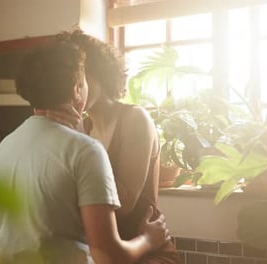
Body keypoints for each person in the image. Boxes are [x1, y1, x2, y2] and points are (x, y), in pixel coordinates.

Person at [0, 40, 170, 264]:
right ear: (76, 87)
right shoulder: (82, 143)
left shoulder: (3, 148)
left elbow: (120, 208)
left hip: (141, 248)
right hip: (114, 249)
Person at [38, 29, 181, 263]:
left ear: (97, 75)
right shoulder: (82, 125)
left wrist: (81, 136)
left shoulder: (135, 119)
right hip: (103, 250)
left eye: (79, 79)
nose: (73, 91)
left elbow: (123, 204)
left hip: (147, 248)